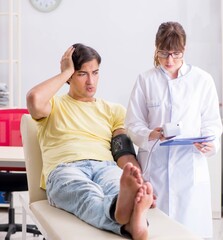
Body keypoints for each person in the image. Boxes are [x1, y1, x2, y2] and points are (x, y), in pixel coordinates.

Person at [26, 43, 154, 240]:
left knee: (116, 185)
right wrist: (66, 71)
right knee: (86, 194)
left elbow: (123, 151)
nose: (90, 81)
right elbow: (34, 99)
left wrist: (139, 180)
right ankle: (126, 218)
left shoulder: (113, 110)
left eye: (95, 73)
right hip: (64, 169)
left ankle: (128, 217)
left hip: (105, 167)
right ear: (69, 77)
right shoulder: (52, 105)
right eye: (81, 74)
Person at [125, 21, 222, 239]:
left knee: (191, 230)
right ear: (156, 48)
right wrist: (150, 133)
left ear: (184, 49)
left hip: (190, 168)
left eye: (176, 54)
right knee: (156, 230)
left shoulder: (202, 80)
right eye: (163, 53)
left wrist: (209, 142)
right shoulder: (145, 80)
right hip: (155, 169)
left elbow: (213, 123)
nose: (169, 60)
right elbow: (132, 123)